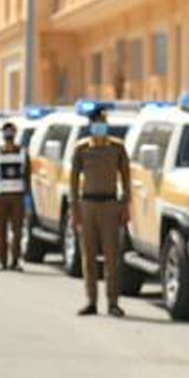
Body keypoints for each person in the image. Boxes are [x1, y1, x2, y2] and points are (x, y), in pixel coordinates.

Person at [70, 107, 131, 317]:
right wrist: (74, 210)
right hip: (87, 205)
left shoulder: (117, 148)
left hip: (110, 205)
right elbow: (73, 181)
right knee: (88, 255)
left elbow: (126, 177)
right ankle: (91, 301)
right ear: (90, 125)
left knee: (111, 255)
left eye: (103, 122)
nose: (100, 126)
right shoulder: (81, 149)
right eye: (96, 122)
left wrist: (125, 204)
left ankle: (113, 302)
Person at [0, 122, 31, 271]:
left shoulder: (23, 152)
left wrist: (27, 197)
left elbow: (27, 175)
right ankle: (3, 262)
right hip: (1, 196)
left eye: (11, 132)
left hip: (18, 196)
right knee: (1, 231)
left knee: (17, 231)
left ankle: (15, 261)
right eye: (7, 132)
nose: (9, 135)